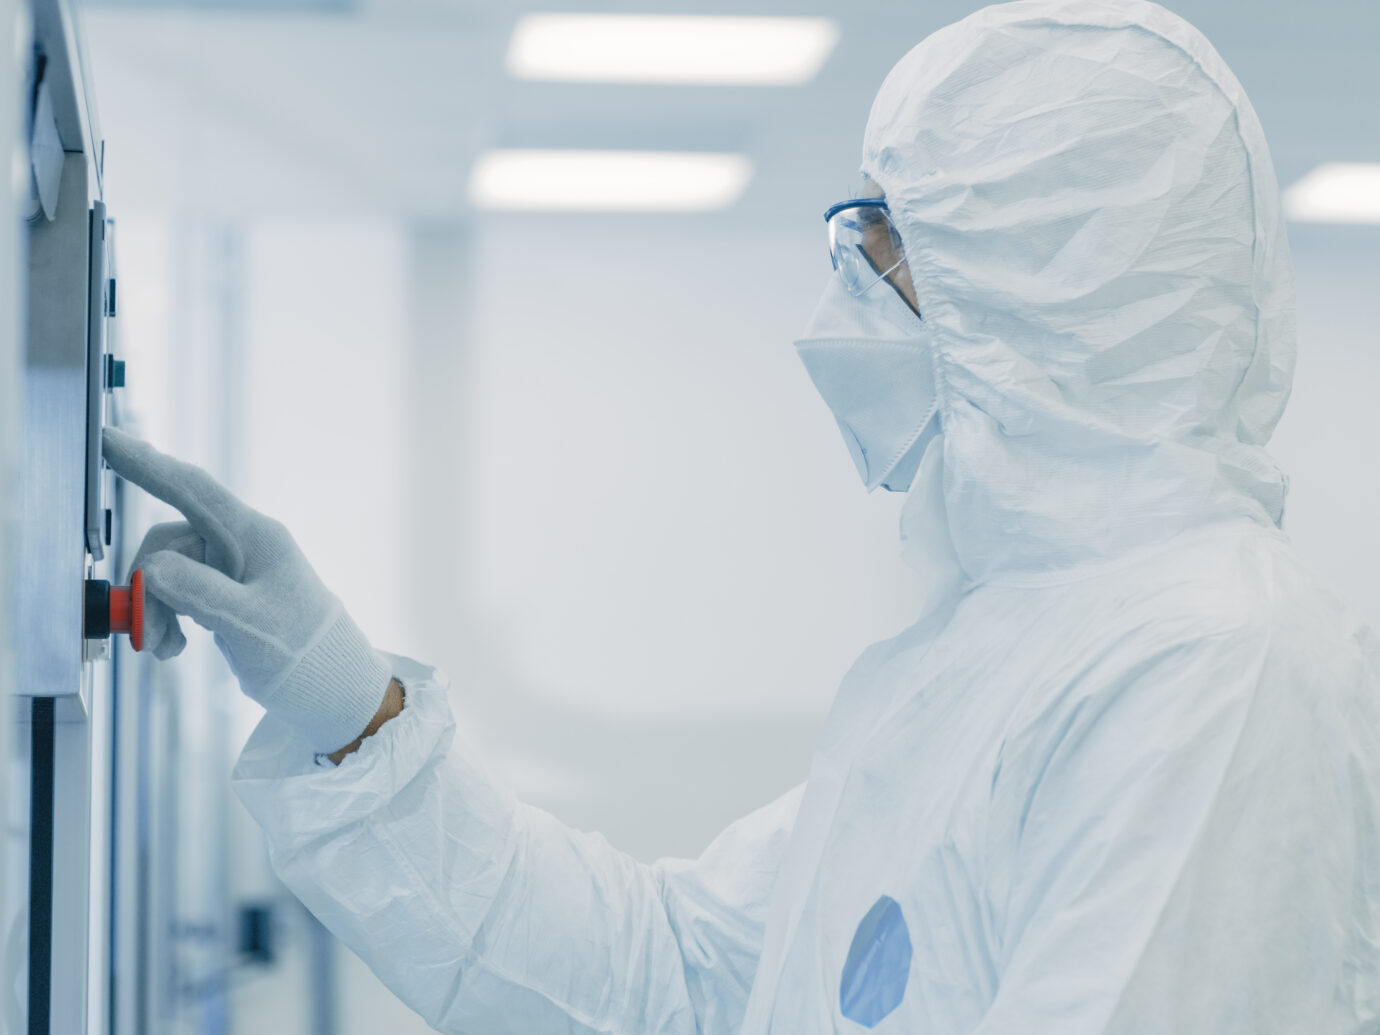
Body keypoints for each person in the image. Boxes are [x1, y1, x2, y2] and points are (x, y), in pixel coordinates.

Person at [103, 0, 1380, 1030]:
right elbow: (670, 976)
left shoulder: (1214, 666)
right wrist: (344, 706)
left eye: (886, 242)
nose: (850, 289)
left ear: (1052, 286)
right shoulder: (982, 659)